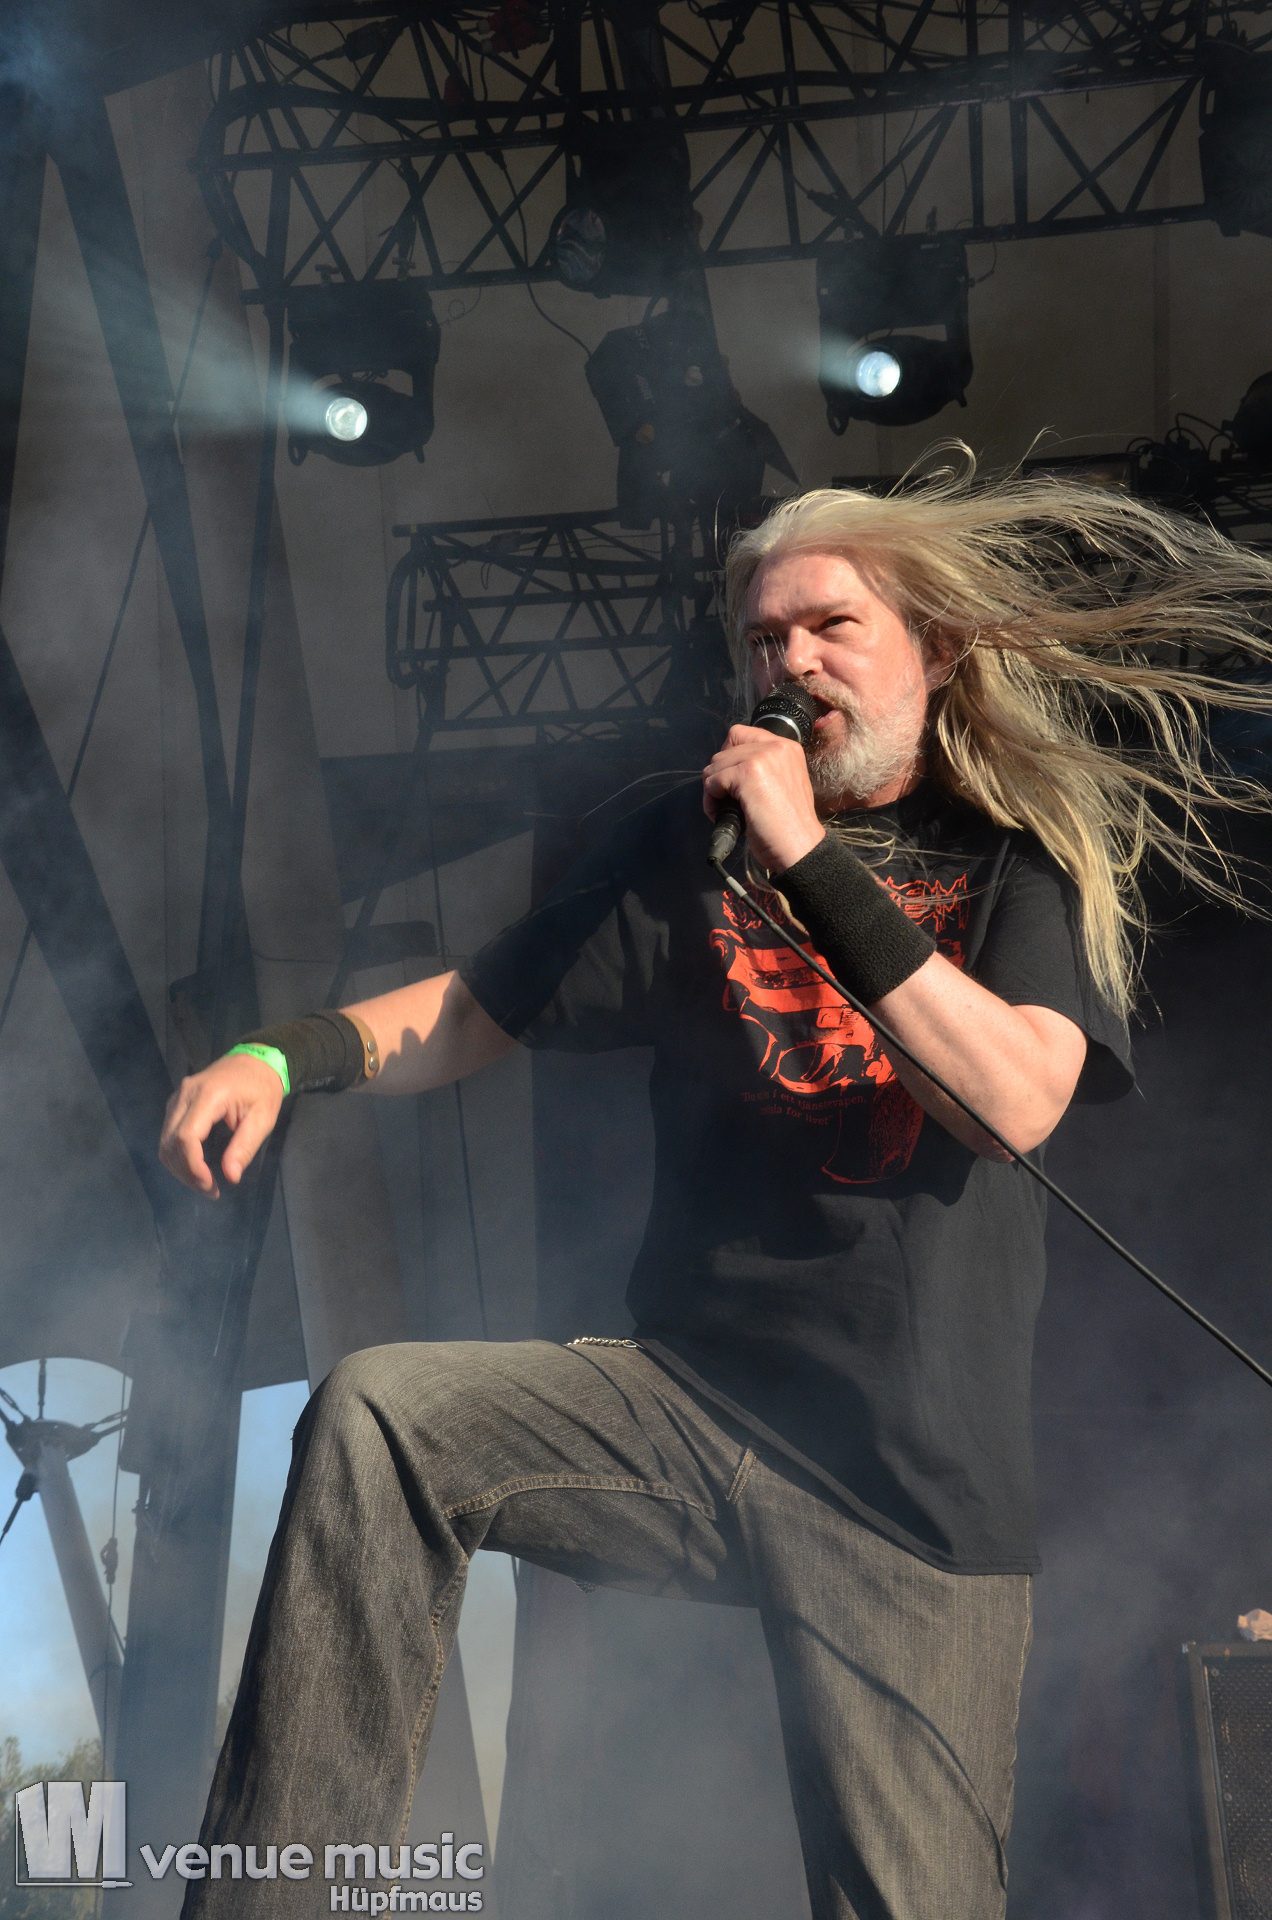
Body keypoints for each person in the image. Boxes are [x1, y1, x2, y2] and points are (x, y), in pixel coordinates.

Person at [160, 464, 1272, 1919]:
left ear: (934, 649)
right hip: (688, 1408)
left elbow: (1013, 1100)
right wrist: (281, 1055)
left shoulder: (1011, 869)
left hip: (905, 1483)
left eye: (829, 626)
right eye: (763, 638)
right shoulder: (687, 858)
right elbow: (483, 1007)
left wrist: (804, 852)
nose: (789, 663)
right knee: (384, 1416)